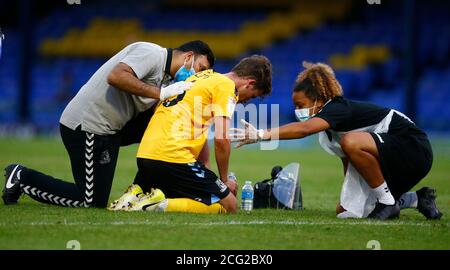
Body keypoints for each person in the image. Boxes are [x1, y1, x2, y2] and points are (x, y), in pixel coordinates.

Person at [3, 40, 215, 208]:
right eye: (200, 68)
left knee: (165, 126)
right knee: (90, 202)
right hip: (87, 126)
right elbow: (116, 76)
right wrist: (160, 93)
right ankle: (22, 177)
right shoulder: (152, 53)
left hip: (111, 128)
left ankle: (141, 191)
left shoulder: (168, 80)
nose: (197, 75)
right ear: (188, 57)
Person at [230, 61, 442, 220]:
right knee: (345, 210)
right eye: (295, 106)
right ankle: (417, 199)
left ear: (319, 100)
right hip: (392, 154)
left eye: (301, 104)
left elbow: (304, 129)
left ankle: (388, 203)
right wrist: (350, 198)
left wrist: (260, 134)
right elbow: (351, 161)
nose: (298, 111)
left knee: (351, 141)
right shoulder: (329, 131)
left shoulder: (337, 107)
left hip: (413, 149)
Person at [109, 55, 272, 214]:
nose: (245, 102)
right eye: (251, 97)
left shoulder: (202, 77)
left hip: (146, 155)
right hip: (173, 157)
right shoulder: (226, 86)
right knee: (229, 205)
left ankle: (134, 194)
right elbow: (222, 138)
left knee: (188, 195)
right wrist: (224, 181)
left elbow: (198, 132)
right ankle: (155, 205)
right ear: (250, 83)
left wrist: (208, 175)